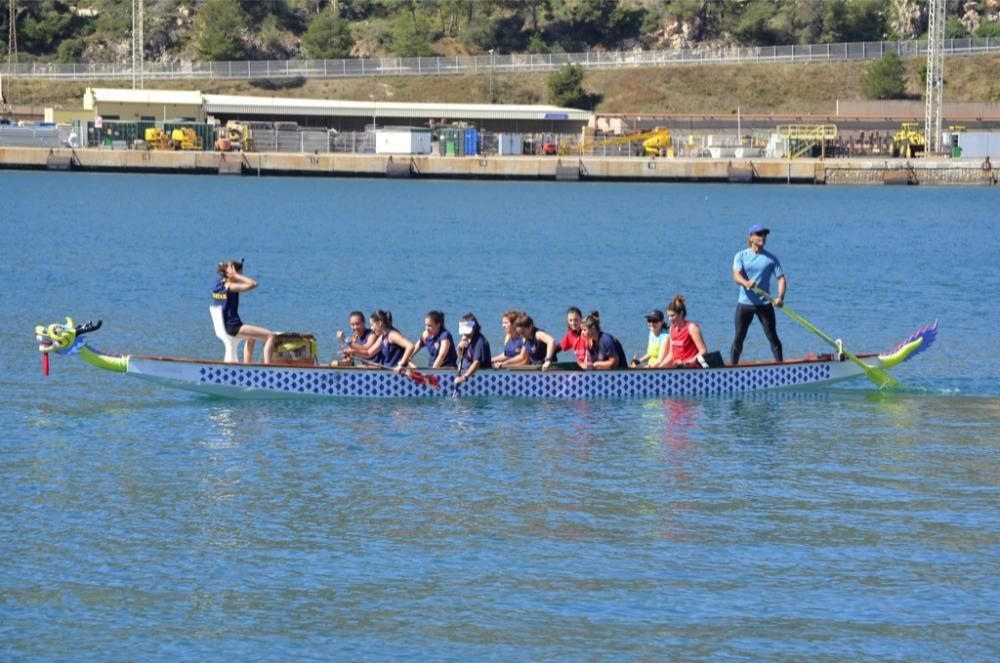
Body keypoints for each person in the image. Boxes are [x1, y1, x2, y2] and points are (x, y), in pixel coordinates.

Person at [731, 223, 786, 364]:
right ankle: (732, 368)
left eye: (764, 234)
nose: (763, 237)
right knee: (739, 338)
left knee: (773, 337)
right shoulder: (741, 256)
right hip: (744, 305)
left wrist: (780, 298)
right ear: (751, 238)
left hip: (764, 304)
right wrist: (745, 282)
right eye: (759, 234)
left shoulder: (771, 259)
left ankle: (781, 367)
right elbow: (736, 275)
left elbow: (781, 279)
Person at [211, 259, 275, 364]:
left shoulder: (216, 284)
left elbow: (224, 278)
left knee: (251, 338)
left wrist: (229, 272)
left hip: (225, 326)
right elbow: (254, 284)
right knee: (270, 335)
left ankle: (247, 365)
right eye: (241, 273)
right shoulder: (232, 287)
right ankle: (268, 369)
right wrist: (237, 276)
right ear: (234, 273)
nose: (242, 275)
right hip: (233, 327)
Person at [345, 310, 416, 372]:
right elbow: (368, 354)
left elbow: (410, 346)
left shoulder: (392, 335)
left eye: (372, 325)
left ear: (380, 323)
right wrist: (353, 352)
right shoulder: (382, 337)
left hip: (397, 373)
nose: (371, 328)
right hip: (388, 372)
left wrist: (401, 364)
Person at [655, 295, 708, 367]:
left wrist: (686, 363)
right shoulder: (671, 329)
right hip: (678, 369)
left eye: (672, 315)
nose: (670, 319)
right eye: (668, 316)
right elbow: (671, 354)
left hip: (692, 369)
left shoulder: (692, 328)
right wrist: (660, 367)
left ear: (681, 313)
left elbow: (703, 351)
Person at [454, 313, 492, 386]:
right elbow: (460, 358)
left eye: (467, 331)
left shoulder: (480, 341)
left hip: (482, 375)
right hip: (467, 369)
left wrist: (464, 377)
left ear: (474, 328)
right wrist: (459, 348)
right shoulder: (467, 339)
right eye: (463, 331)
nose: (465, 333)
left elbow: (476, 363)